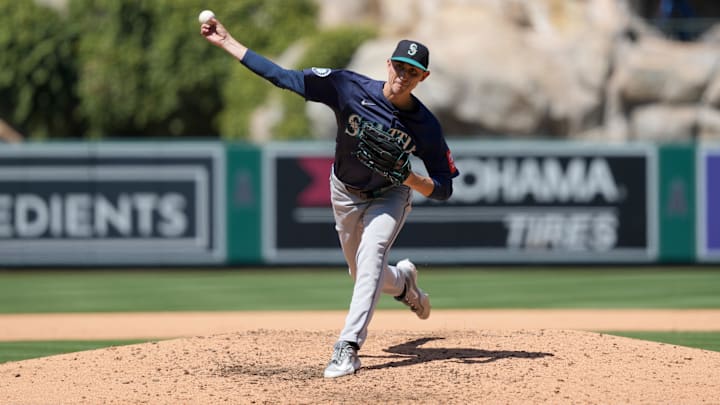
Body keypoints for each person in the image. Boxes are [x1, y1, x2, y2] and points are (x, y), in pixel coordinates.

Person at [201, 17, 459, 378]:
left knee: (370, 258)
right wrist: (228, 41)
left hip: (390, 195)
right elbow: (282, 77)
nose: (403, 75)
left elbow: (444, 187)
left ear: (423, 79)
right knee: (361, 273)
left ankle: (348, 347)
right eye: (399, 66)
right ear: (388, 64)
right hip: (345, 192)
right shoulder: (347, 87)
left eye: (412, 72)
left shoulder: (426, 126)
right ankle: (403, 284)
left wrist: (411, 178)